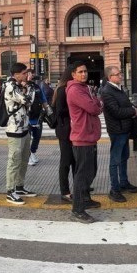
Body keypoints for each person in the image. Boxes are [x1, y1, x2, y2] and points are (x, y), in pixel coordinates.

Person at [66, 61, 104, 223]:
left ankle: (85, 199)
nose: (84, 74)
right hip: (82, 138)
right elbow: (95, 108)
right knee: (82, 175)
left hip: (89, 136)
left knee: (91, 171)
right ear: (73, 74)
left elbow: (96, 103)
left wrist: (96, 102)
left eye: (85, 71)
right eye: (80, 72)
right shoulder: (75, 90)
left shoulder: (85, 88)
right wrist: (97, 102)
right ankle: (78, 209)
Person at [100, 65, 137, 202]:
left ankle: (123, 182)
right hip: (117, 130)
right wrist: (133, 111)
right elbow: (116, 111)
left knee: (124, 157)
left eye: (120, 74)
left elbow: (123, 106)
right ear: (110, 77)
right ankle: (114, 189)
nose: (120, 76)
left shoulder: (118, 89)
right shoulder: (107, 91)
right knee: (115, 160)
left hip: (124, 128)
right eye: (118, 74)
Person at [3, 62, 35, 205]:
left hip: (24, 127)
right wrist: (29, 87)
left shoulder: (21, 87)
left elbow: (29, 102)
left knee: (23, 159)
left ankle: (20, 186)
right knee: (14, 160)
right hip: (14, 129)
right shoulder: (11, 87)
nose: (26, 75)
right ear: (16, 75)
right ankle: (10, 191)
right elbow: (28, 100)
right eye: (24, 73)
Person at [54, 71, 75, 203]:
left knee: (75, 160)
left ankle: (77, 186)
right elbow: (59, 110)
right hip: (64, 129)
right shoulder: (62, 90)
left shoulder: (67, 89)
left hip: (70, 129)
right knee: (66, 161)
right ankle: (65, 191)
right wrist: (74, 107)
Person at [25, 70, 46, 167]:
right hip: (26, 118)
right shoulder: (23, 87)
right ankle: (28, 156)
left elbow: (43, 100)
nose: (32, 76)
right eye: (29, 74)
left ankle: (32, 152)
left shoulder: (37, 87)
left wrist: (50, 113)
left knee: (37, 136)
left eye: (32, 75)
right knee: (27, 138)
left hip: (37, 117)